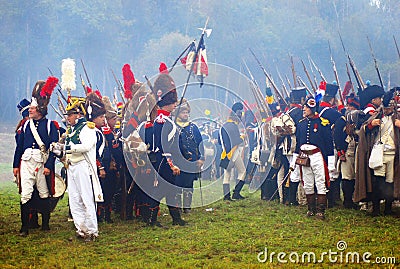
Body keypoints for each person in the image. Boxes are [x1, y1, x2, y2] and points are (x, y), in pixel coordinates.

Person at [13, 78, 59, 236]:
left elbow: (54, 148)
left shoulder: (50, 125)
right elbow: (20, 147)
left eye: (32, 108)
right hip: (26, 162)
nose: (29, 111)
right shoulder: (26, 125)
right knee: (25, 193)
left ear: (39, 109)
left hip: (42, 162)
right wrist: (15, 165)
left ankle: (45, 224)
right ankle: (24, 227)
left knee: (44, 192)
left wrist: (49, 166)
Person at [62, 96, 103, 241]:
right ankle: (81, 229)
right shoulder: (70, 130)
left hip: (83, 166)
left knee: (87, 198)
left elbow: (85, 146)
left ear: (78, 114)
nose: (68, 118)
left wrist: (68, 148)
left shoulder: (88, 128)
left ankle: (92, 231)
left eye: (70, 114)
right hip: (72, 166)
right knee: (74, 199)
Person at [355, 87, 400, 216]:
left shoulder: (397, 118)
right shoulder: (376, 116)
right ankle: (375, 209)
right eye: (385, 108)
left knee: (390, 182)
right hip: (379, 154)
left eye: (389, 108)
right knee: (377, 182)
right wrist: (371, 125)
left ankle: (388, 208)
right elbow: (364, 130)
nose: (387, 110)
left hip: (393, 154)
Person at [149, 71, 186, 226]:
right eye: (173, 103)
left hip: (161, 159)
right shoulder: (166, 122)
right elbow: (164, 146)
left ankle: (176, 219)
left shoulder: (160, 119)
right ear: (168, 103)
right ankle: (152, 219)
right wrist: (172, 164)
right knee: (162, 191)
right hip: (164, 160)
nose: (175, 105)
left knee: (170, 190)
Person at [295, 96, 334, 220]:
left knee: (320, 182)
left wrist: (331, 163)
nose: (304, 109)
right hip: (304, 156)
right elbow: (298, 144)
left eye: (306, 107)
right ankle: (310, 209)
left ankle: (320, 211)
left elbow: (329, 144)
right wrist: (294, 161)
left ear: (312, 108)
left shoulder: (323, 123)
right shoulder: (301, 124)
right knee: (307, 183)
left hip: (317, 155)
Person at [174, 99, 204, 213]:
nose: (185, 115)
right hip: (178, 161)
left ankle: (187, 207)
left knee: (188, 184)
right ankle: (177, 207)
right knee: (177, 184)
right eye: (183, 112)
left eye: (187, 112)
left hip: (192, 161)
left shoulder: (193, 127)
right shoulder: (172, 126)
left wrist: (201, 158)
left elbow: (200, 143)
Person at [333, 93, 361, 209]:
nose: (349, 109)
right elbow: (337, 136)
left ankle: (352, 199)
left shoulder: (357, 119)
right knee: (347, 177)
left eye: (352, 107)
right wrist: (340, 152)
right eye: (348, 106)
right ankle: (347, 201)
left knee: (353, 176)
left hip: (355, 149)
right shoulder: (342, 120)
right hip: (346, 150)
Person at [220, 102, 247, 200]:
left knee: (227, 174)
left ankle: (226, 196)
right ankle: (236, 193)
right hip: (233, 152)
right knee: (243, 172)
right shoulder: (233, 125)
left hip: (225, 153)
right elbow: (236, 140)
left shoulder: (225, 125)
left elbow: (220, 141)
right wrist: (243, 137)